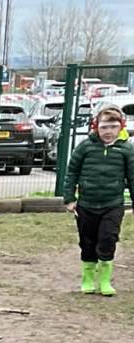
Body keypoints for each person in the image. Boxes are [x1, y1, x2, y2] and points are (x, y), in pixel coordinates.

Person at [65, 102, 134, 297]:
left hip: (112, 205)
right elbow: (72, 172)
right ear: (96, 127)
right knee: (87, 242)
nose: (108, 132)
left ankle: (104, 280)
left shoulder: (126, 149)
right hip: (86, 205)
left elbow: (133, 177)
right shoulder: (85, 147)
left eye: (113, 127)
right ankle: (88, 278)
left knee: (107, 239)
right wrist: (69, 198)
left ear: (121, 127)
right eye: (104, 127)